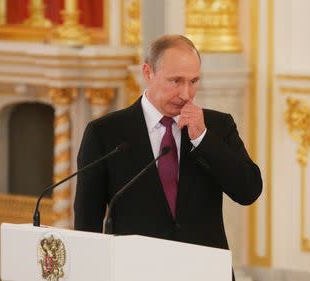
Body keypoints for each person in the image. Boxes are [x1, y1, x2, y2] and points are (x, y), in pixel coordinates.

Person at [74, 34, 262, 265]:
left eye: (193, 81)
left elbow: (249, 190)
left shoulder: (217, 126)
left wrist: (203, 139)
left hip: (203, 270)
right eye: (176, 81)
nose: (186, 94)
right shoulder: (105, 133)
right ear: (147, 73)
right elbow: (86, 221)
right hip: (135, 270)